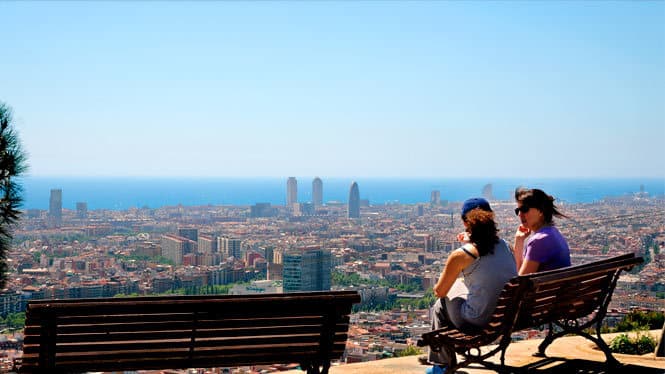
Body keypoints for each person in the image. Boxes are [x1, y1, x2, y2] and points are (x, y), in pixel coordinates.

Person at [423, 198, 517, 373]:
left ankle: (441, 365)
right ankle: (444, 360)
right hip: (505, 318)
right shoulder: (507, 246)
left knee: (440, 304)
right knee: (460, 287)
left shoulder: (462, 255)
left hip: (477, 321)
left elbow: (439, 291)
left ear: (465, 222)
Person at [513, 187, 571, 275]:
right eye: (518, 210)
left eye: (524, 209)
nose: (520, 214)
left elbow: (520, 282)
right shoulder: (553, 233)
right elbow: (520, 272)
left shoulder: (539, 241)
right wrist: (519, 240)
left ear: (540, 211)